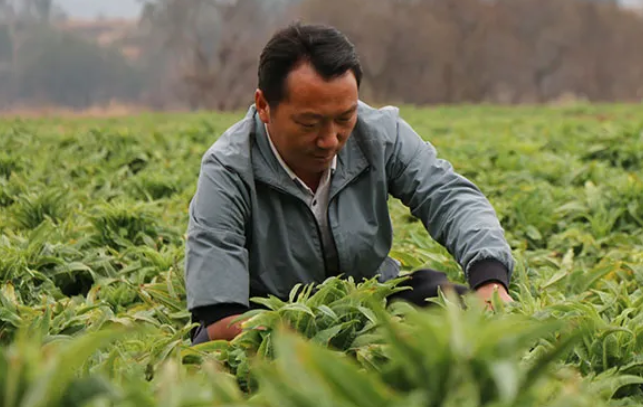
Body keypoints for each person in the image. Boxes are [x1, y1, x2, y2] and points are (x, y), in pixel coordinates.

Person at [184, 23, 515, 343]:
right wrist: (316, 345)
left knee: (451, 306)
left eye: (344, 118)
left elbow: (448, 196)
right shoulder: (229, 169)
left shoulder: (380, 134)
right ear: (263, 106)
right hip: (273, 316)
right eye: (309, 123)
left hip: (369, 299)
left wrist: (489, 278)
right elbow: (220, 317)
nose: (330, 140)